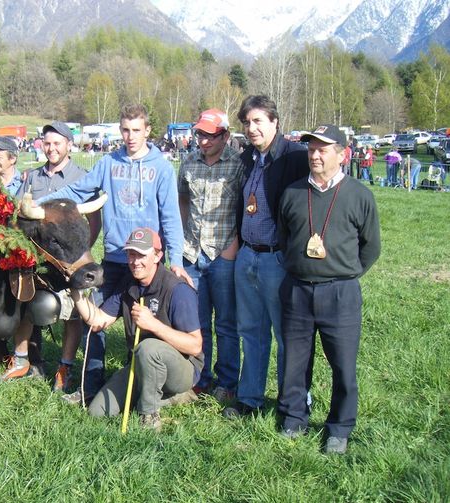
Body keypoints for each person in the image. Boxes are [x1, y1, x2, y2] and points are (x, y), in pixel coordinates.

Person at [35, 104, 190, 404]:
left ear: (147, 131)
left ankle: (160, 390)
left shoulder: (159, 168)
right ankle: (89, 388)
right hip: (113, 260)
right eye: (125, 130)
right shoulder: (108, 163)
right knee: (93, 323)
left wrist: (177, 262)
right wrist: (40, 203)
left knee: (150, 327)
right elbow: (78, 191)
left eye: (136, 130)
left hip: (146, 264)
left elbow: (170, 217)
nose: (130, 136)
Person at [277, 124, 381, 454]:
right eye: (311, 149)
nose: (315, 155)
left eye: (323, 149)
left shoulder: (360, 195)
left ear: (342, 154)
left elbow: (371, 247)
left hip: (340, 294)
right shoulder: (293, 193)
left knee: (343, 365)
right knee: (295, 361)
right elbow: (284, 239)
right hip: (296, 291)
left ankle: (339, 427)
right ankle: (294, 418)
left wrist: (342, 274)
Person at [223, 95, 309, 419]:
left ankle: (292, 405)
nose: (251, 127)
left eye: (258, 121)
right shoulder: (246, 159)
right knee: (251, 331)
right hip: (247, 257)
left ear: (275, 121)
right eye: (247, 122)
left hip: (278, 260)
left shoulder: (295, 157)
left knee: (287, 336)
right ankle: (250, 398)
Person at [0, 121, 100, 392]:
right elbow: (20, 214)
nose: (52, 148)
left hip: (69, 260)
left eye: (57, 143)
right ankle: (22, 360)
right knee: (25, 306)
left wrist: (80, 252)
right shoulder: (32, 177)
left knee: (72, 314)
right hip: (37, 260)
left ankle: (65, 367)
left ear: (69, 144)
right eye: (47, 143)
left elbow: (93, 220)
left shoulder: (82, 176)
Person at [70, 228, 203, 430]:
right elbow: (97, 321)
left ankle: (149, 415)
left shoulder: (177, 290)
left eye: (141, 254)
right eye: (131, 254)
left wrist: (154, 325)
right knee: (97, 412)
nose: (135, 261)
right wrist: (75, 291)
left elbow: (195, 346)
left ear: (158, 255)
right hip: (140, 366)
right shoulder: (128, 284)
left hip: (182, 369)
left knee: (148, 347)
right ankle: (160, 396)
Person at [178, 109, 244, 403]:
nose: (203, 141)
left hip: (223, 253)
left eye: (209, 135)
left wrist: (234, 247)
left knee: (227, 323)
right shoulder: (188, 162)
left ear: (225, 136)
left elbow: (247, 206)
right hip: (192, 253)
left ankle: (227, 381)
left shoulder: (238, 165)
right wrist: (180, 242)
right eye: (200, 134)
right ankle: (201, 377)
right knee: (198, 321)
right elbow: (182, 200)